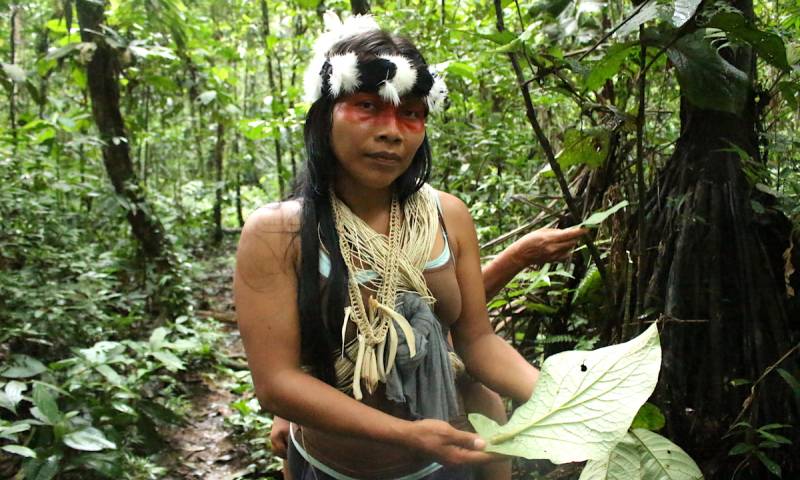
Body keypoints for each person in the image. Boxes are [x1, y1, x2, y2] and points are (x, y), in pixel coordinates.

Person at [234, 13, 585, 480]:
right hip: (331, 467)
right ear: (324, 117)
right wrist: (405, 434)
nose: (392, 131)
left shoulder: (448, 216)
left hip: (446, 463)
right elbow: (277, 383)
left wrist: (561, 404)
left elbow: (477, 341)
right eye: (367, 106)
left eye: (411, 113)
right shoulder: (277, 234)